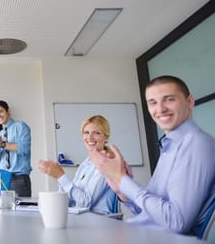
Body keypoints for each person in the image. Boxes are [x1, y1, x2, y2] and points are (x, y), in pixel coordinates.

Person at [90, 75, 215, 235]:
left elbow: (176, 222)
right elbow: (152, 215)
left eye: (169, 99)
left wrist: (121, 178)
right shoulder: (170, 144)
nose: (160, 109)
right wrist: (123, 190)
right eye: (153, 102)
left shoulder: (196, 144)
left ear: (189, 101)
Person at [38, 115, 117, 214]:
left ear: (106, 137)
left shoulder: (106, 163)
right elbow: (71, 200)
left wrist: (61, 177)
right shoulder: (85, 164)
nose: (90, 137)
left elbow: (85, 203)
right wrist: (58, 179)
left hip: (99, 222)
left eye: (96, 133)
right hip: (81, 218)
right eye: (86, 132)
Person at [0, 100, 32, 197]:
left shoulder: (21, 126)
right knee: (3, 211)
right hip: (3, 178)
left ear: (8, 111)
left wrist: (2, 144)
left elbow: (24, 149)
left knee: (20, 211)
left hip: (19, 178)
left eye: (1, 111)